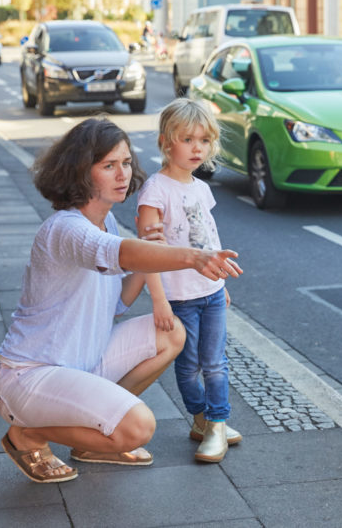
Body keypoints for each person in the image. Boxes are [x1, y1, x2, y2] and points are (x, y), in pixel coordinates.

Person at [0, 117, 242, 483]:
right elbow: (118, 252)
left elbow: (119, 303)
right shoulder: (65, 228)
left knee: (172, 333)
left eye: (126, 162)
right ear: (80, 172)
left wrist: (153, 254)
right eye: (108, 165)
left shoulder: (106, 222)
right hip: (30, 376)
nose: (123, 173)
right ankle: (27, 435)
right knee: (138, 427)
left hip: (81, 364)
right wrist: (191, 256)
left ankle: (96, 438)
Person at [136, 98, 239, 463]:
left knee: (215, 362)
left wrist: (221, 282)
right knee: (189, 363)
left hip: (210, 293)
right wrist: (159, 300)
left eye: (205, 141)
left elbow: (207, 239)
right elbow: (147, 252)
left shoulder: (201, 188)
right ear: (166, 141)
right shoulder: (155, 191)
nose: (198, 148)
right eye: (188, 139)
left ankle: (217, 423)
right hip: (179, 297)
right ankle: (201, 418)